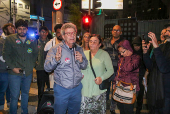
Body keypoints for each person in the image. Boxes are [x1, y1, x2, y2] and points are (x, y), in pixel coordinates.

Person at [44, 23, 88, 114]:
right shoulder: (55, 49)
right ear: (63, 36)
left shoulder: (79, 48)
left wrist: (81, 61)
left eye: (73, 33)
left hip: (76, 88)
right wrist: (55, 60)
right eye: (68, 33)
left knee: (74, 112)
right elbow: (47, 68)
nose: (72, 36)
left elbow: (84, 66)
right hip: (62, 89)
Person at [2, 19, 38, 114]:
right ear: (16, 29)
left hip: (28, 72)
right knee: (14, 96)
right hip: (14, 73)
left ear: (27, 29)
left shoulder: (32, 40)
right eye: (20, 29)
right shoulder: (10, 39)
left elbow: (35, 54)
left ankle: (24, 112)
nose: (22, 31)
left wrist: (31, 65)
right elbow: (6, 55)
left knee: (25, 94)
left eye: (24, 29)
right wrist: (13, 68)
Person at [79, 34, 114, 114]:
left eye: (95, 42)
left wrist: (102, 78)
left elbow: (110, 70)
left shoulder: (104, 54)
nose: (92, 43)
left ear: (99, 44)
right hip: (85, 90)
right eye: (91, 41)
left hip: (98, 91)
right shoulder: (84, 54)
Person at [142, 24, 170, 114]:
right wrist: (145, 53)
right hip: (155, 90)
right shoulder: (161, 47)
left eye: (168, 30)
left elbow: (164, 68)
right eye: (166, 31)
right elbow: (151, 67)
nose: (166, 32)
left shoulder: (160, 48)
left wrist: (156, 47)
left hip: (166, 93)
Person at [113, 40, 140, 114]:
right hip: (121, 86)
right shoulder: (121, 58)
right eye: (120, 52)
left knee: (128, 110)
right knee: (121, 109)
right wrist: (115, 82)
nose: (121, 54)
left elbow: (128, 68)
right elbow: (118, 72)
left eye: (123, 52)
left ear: (128, 48)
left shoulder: (136, 58)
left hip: (131, 88)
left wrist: (128, 56)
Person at [103, 25, 125, 114]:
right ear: (112, 31)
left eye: (118, 30)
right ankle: (104, 106)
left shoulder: (123, 43)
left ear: (121, 32)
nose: (116, 32)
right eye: (114, 30)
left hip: (118, 70)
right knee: (105, 89)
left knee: (115, 90)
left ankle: (112, 108)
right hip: (106, 70)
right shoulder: (106, 41)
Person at [0, 23, 15, 112]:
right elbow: (1, 56)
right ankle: (1, 105)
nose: (13, 29)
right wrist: (11, 63)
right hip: (3, 69)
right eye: (10, 28)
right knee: (3, 88)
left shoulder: (12, 40)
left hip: (11, 69)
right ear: (5, 30)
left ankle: (10, 103)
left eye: (13, 28)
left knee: (11, 87)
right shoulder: (2, 41)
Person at [44, 24, 62, 88]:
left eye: (61, 32)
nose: (60, 34)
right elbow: (45, 59)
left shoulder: (68, 44)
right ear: (55, 33)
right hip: (53, 74)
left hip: (65, 75)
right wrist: (51, 70)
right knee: (54, 93)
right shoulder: (49, 44)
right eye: (58, 32)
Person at [35, 26, 50, 106]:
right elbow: (31, 53)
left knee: (50, 88)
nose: (43, 33)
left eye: (45, 32)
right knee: (40, 89)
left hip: (49, 70)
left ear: (47, 33)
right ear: (39, 33)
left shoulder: (51, 43)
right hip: (40, 69)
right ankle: (40, 106)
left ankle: (49, 105)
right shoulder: (36, 42)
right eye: (42, 32)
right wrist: (35, 63)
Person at [132, 36, 146, 114]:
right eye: (135, 46)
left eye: (138, 46)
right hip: (133, 76)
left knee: (140, 95)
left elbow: (146, 65)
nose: (136, 47)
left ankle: (139, 109)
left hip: (141, 76)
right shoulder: (132, 52)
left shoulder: (143, 52)